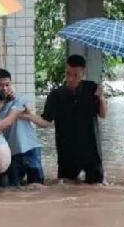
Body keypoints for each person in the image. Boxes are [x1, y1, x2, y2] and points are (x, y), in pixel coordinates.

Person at [41, 54, 108, 184]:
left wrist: (101, 98)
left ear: (83, 73)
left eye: (75, 75)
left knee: (96, 188)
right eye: (68, 74)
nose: (71, 79)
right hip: (67, 151)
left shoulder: (92, 88)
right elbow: (45, 121)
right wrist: (27, 116)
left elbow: (103, 115)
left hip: (91, 150)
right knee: (66, 187)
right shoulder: (56, 95)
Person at [0, 68, 46, 186]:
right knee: (14, 189)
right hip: (11, 153)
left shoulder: (20, 98)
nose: (5, 88)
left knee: (37, 187)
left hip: (31, 149)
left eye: (7, 84)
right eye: (0, 85)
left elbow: (21, 114)